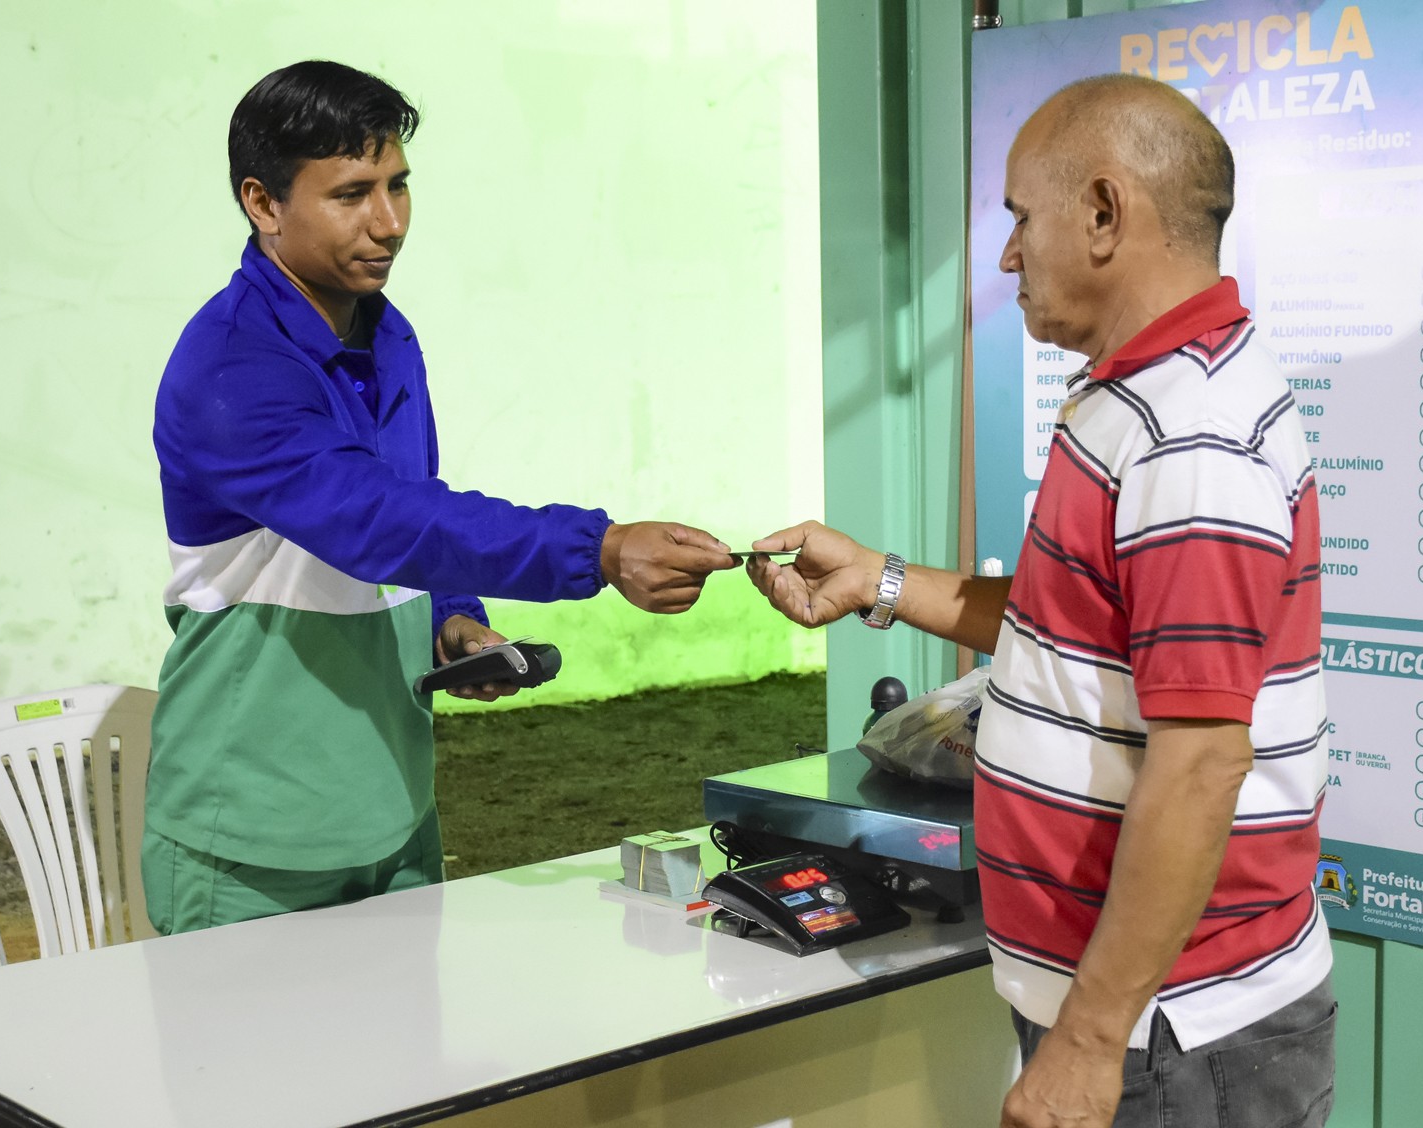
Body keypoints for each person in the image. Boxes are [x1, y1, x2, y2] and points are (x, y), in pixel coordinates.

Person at [749, 74, 1334, 1127]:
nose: (1008, 255)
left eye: (1021, 218)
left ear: (1105, 213)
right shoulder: (1135, 396)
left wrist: (1090, 1039)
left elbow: (1201, 764)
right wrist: (878, 582)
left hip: (1174, 1033)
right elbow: (1081, 627)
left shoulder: (1188, 434)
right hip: (1139, 1016)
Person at [147, 60, 735, 935]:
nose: (389, 224)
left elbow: (413, 500)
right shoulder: (232, 371)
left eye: (399, 186)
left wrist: (452, 616)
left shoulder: (383, 332)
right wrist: (599, 549)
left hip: (396, 812)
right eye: (352, 194)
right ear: (263, 204)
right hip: (255, 842)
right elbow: (374, 521)